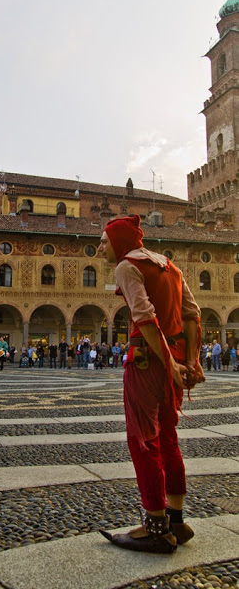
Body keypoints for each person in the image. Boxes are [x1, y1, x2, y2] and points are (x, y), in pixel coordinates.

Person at [97, 215, 205, 554]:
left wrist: (171, 362)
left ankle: (156, 526)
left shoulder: (128, 266)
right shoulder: (169, 266)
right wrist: (191, 359)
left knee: (143, 440)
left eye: (103, 241)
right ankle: (175, 518)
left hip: (147, 362)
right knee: (169, 438)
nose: (99, 248)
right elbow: (193, 314)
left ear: (120, 242)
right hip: (171, 358)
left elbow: (144, 317)